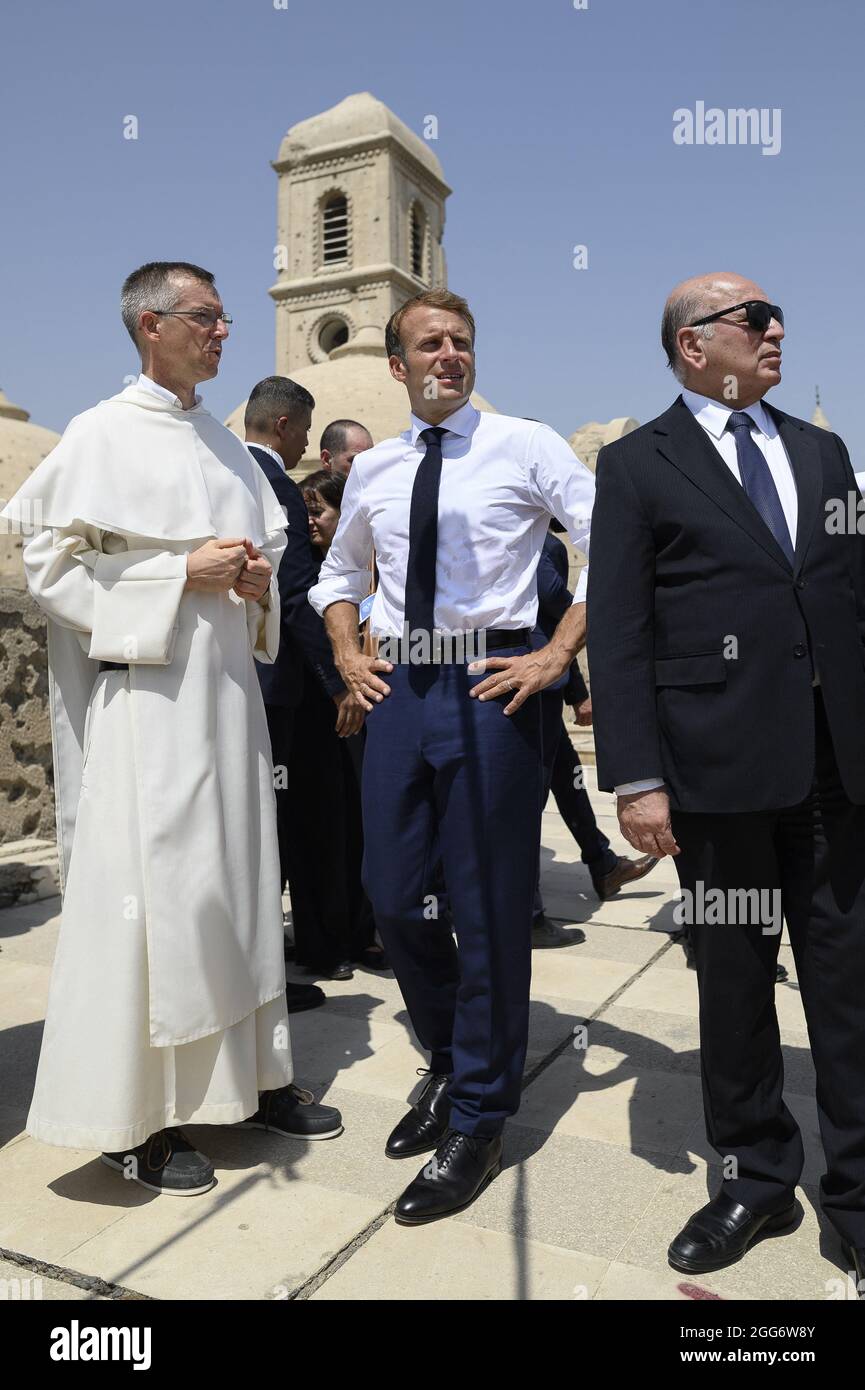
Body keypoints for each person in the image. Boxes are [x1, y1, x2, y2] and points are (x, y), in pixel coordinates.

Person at [0, 262, 342, 1197]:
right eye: (207, 318)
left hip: (227, 701)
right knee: (149, 902)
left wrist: (253, 587)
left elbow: (262, 560)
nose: (224, 333)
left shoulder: (226, 448)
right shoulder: (100, 435)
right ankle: (134, 1118)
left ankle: (253, 1079)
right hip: (150, 706)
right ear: (151, 325)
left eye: (226, 319)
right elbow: (47, 568)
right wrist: (171, 575)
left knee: (235, 887)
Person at [588, 272, 865, 1287]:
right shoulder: (635, 464)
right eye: (754, 318)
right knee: (737, 986)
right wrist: (636, 779)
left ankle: (858, 1191)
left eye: (777, 313)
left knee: (847, 986)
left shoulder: (821, 450)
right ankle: (753, 1180)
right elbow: (616, 636)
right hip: (714, 778)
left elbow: (850, 593)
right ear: (692, 342)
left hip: (835, 772)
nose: (775, 328)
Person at [309, 288, 595, 1223]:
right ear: (397, 366)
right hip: (401, 688)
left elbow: (609, 545)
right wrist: (349, 649)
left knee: (487, 906)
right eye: (429, 345)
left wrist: (558, 653)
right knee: (393, 896)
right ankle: (446, 1056)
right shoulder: (377, 466)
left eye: (461, 343)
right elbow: (342, 572)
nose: (448, 356)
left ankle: (479, 1110)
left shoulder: (526, 444)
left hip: (489, 687)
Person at [244, 378, 365, 989]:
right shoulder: (277, 488)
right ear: (287, 426)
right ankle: (281, 968)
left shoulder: (222, 467)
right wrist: (340, 680)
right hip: (281, 691)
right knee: (287, 827)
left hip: (235, 683)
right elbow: (293, 597)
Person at [531, 522, 657, 948]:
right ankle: (527, 913)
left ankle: (602, 863)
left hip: (544, 683)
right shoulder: (540, 542)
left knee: (568, 780)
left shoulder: (540, 540)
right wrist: (597, 604)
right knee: (526, 798)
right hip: (534, 683)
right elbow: (554, 608)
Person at [297, 468, 387, 975]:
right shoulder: (305, 570)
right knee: (327, 832)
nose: (311, 521)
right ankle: (330, 940)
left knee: (362, 827)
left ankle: (363, 931)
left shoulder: (364, 574)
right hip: (325, 716)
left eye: (320, 511)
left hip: (363, 709)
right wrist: (340, 688)